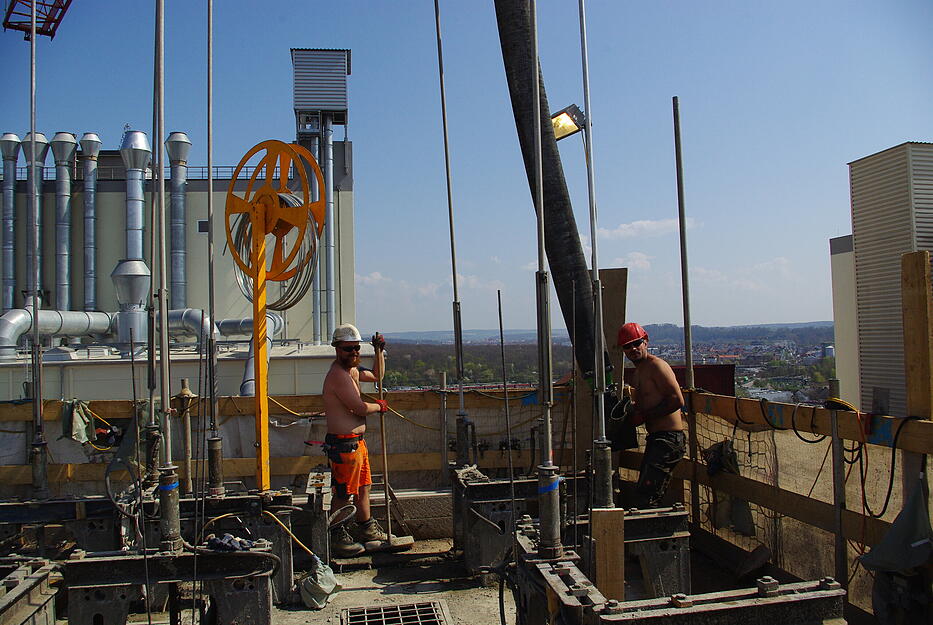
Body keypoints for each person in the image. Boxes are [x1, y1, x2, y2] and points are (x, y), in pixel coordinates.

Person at [322, 323, 394, 557]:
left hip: (355, 442)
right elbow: (358, 408)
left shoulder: (352, 370)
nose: (353, 353)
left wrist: (378, 352)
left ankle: (367, 529)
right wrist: (379, 406)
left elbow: (377, 375)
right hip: (344, 445)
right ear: (337, 349)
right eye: (347, 349)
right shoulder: (338, 375)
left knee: (364, 487)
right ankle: (337, 536)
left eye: (356, 348)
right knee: (344, 492)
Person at [617, 322, 686, 508]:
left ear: (645, 341)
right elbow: (645, 404)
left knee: (647, 494)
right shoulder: (638, 373)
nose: (633, 348)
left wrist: (645, 416)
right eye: (627, 346)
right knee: (647, 489)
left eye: (636, 343)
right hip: (657, 439)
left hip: (668, 439)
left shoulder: (657, 367)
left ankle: (653, 531)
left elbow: (677, 400)